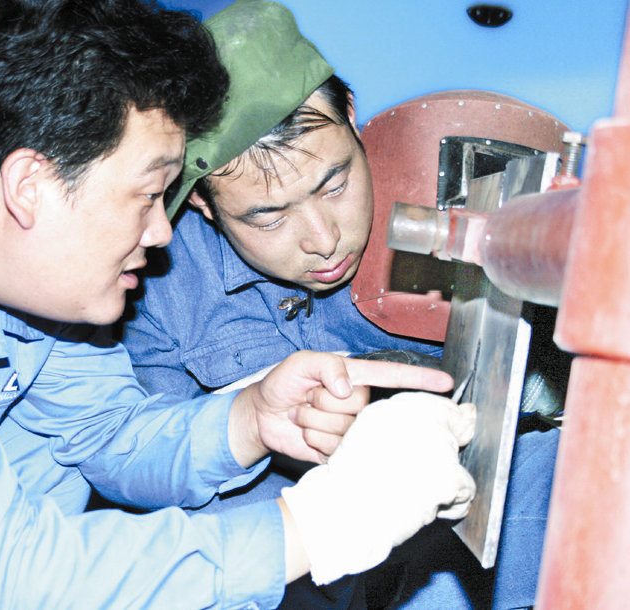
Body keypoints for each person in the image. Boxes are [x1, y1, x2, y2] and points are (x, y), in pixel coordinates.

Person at [0, 1, 475, 609]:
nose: (161, 232)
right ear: (31, 185)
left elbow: (106, 435)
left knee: (38, 461)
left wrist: (249, 420)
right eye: (147, 194)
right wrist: (321, 524)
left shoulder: (23, 276)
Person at [122, 1, 560, 609]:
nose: (324, 239)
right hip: (290, 546)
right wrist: (254, 420)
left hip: (469, 511)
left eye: (335, 183)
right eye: (267, 217)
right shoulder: (153, 282)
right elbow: (143, 464)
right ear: (200, 202)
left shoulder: (455, 195)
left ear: (351, 117)